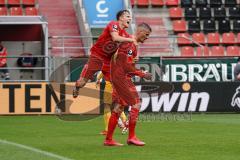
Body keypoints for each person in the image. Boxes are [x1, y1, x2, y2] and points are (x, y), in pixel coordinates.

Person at [104, 23, 152, 146]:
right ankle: (131, 137)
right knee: (136, 104)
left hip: (119, 77)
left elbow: (123, 61)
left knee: (119, 108)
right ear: (140, 31)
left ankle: (109, 139)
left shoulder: (130, 43)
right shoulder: (130, 43)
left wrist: (132, 62)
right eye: (146, 35)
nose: (146, 38)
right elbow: (125, 66)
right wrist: (142, 74)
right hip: (122, 79)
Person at [73, 9, 136, 98]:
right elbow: (115, 38)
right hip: (97, 56)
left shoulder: (125, 34)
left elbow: (130, 46)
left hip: (108, 61)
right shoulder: (113, 24)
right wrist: (131, 39)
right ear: (121, 18)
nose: (130, 19)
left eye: (131, 17)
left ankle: (115, 108)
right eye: (128, 16)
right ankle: (77, 87)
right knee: (82, 82)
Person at [96, 71, 128, 135]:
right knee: (117, 107)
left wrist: (98, 79)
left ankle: (107, 129)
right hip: (119, 87)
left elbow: (103, 72)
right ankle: (125, 124)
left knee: (106, 107)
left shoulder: (108, 63)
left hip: (110, 86)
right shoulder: (120, 64)